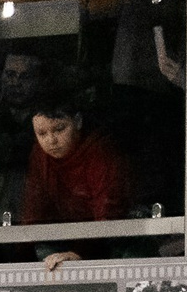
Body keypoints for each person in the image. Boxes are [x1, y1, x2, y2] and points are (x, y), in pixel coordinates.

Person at [26, 93, 133, 270]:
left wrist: (79, 253)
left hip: (110, 239)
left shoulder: (101, 150)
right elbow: (33, 210)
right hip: (66, 239)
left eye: (59, 129)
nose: (51, 140)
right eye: (41, 133)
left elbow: (109, 211)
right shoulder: (40, 155)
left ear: (77, 121)